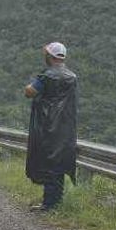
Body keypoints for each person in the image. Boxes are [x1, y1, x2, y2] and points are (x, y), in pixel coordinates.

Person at [24, 41, 78, 211]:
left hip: (47, 126)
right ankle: (55, 202)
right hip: (66, 127)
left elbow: (30, 92)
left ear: (50, 56)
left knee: (48, 164)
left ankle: (49, 204)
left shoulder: (46, 76)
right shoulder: (72, 77)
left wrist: (30, 84)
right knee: (59, 164)